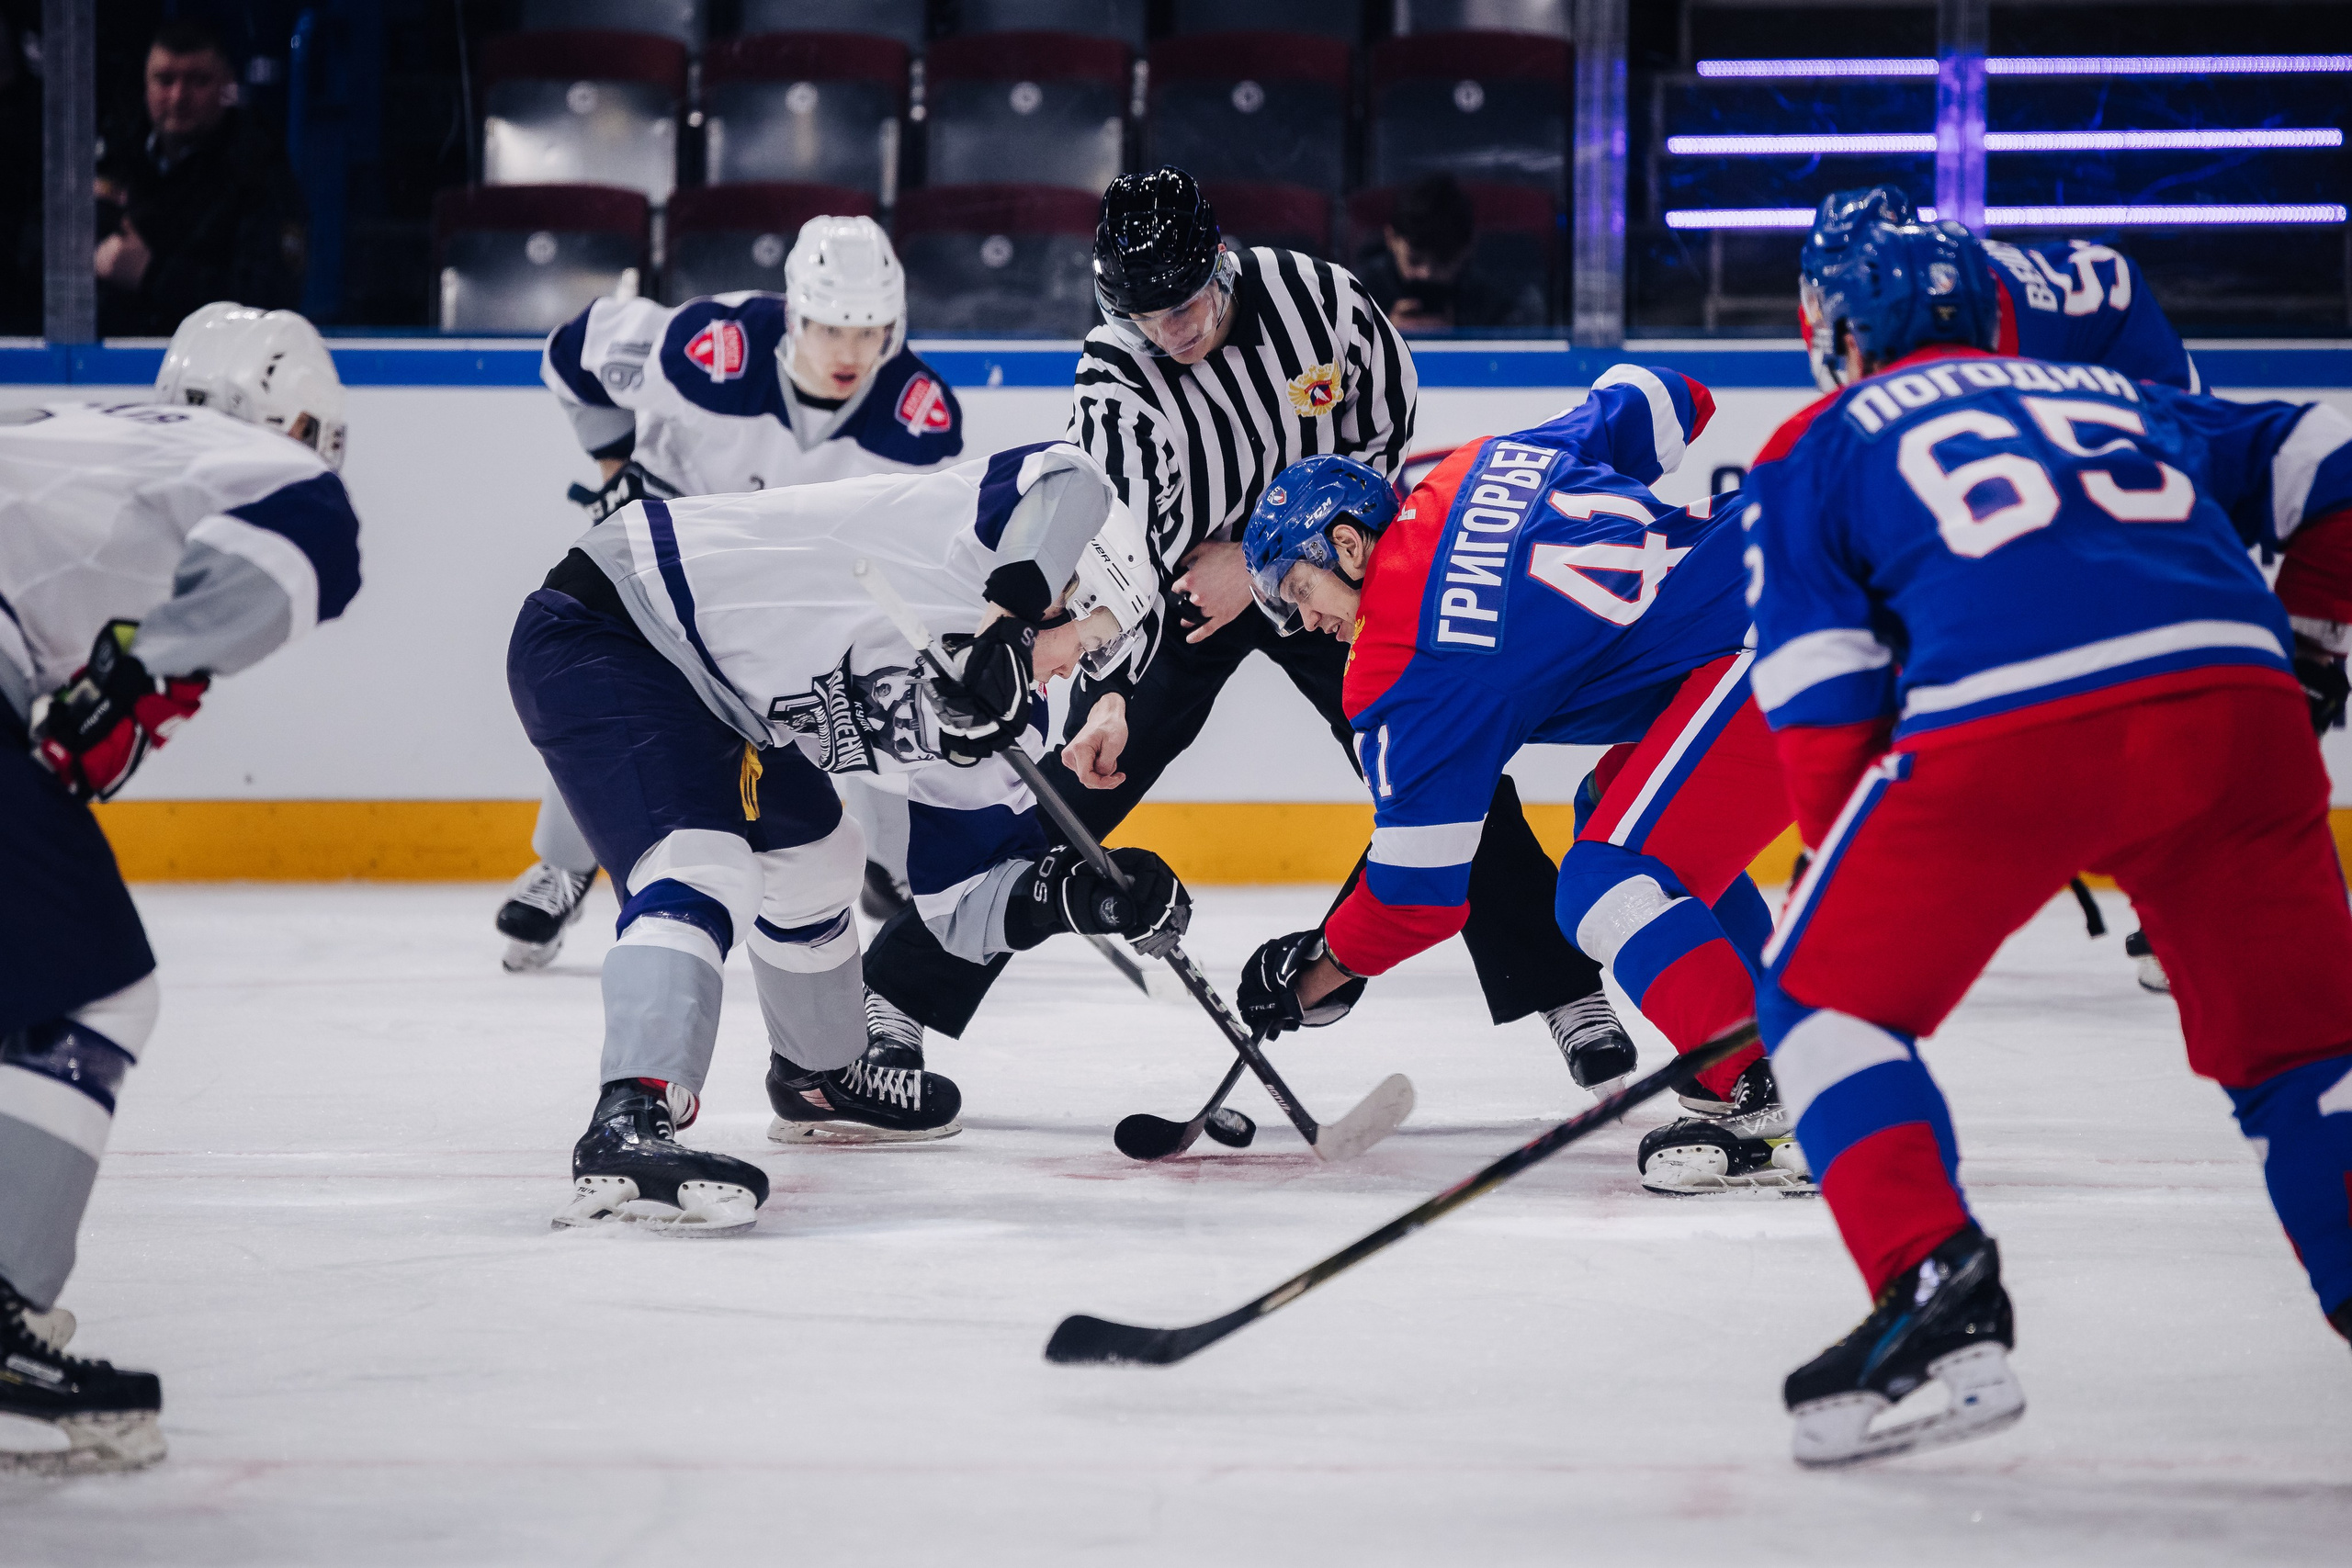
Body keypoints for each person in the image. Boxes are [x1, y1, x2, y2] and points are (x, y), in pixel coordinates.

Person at [1747, 216, 2352, 1467]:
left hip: (2017, 723)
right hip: (2240, 718)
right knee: (2306, 1052)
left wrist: (1834, 884)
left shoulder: (1817, 441)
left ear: (1836, 331)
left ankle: (1929, 1280)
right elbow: (2330, 451)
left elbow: (1818, 692)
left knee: (1821, 1002)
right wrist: (2313, 645)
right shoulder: (2117, 392)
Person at [862, 168, 1639, 1094]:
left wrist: (1274, 555)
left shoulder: (1323, 304)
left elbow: (1381, 434)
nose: (1171, 330)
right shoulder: (1115, 378)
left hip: (1328, 576)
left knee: (1444, 761)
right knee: (1074, 791)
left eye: (1184, 304)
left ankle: (1563, 991)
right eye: (1147, 316)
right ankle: (893, 999)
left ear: (1219, 263)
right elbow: (1124, 544)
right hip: (1182, 592)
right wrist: (1108, 694)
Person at [507, 440, 1181, 1234]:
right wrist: (1007, 623)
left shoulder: (1003, 712)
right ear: (1068, 589)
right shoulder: (981, 536)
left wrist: (1072, 898)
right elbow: (1071, 476)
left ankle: (818, 1077)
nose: (1077, 672)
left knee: (820, 859)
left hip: (727, 705)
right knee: (704, 864)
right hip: (615, 622)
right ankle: (628, 1114)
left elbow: (959, 905)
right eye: (1092, 643)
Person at [1229, 370, 1816, 1195]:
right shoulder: (1477, 466)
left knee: (1606, 881)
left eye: (1300, 590)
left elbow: (1416, 895)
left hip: (1786, 641)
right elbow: (1660, 396)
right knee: (1609, 809)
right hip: (1800, 560)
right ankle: (1771, 1043)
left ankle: (1766, 1090)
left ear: (1349, 545)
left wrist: (1317, 973)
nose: (1309, 621)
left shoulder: (1402, 665)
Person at [0, 304, 361, 1472]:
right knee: (90, 993)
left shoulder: (91, 434)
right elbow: (311, 544)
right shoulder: (254, 459)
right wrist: (141, 672)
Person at [500, 216, 964, 990]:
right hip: (671, 573)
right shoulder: (707, 346)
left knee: (878, 694)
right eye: (829, 328)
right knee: (629, 699)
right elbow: (571, 352)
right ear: (793, 313)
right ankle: (564, 866)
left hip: (795, 594)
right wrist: (616, 459)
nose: (851, 353)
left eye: (871, 330)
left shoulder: (922, 416)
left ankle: (894, 867)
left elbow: (915, 544)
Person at [1776, 185, 2203, 992]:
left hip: (2144, 421)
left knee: (2127, 670)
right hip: (2108, 420)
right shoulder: (1929, 294)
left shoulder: (1949, 319)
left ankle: (2185, 898)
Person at [94, 21, 305, 338]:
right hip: (106, 359)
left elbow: (268, 303)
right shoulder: (110, 155)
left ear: (226, 85)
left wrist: (152, 274)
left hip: (212, 369)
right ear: (145, 85)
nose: (179, 97)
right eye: (164, 80)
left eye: (198, 81)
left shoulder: (259, 172)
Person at [1354, 173, 1546, 333]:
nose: (1426, 274)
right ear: (1391, 239)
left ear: (1468, 248)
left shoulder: (1494, 303)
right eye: (1414, 261)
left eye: (1443, 262)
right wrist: (1383, 335)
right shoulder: (1357, 296)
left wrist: (1459, 340)